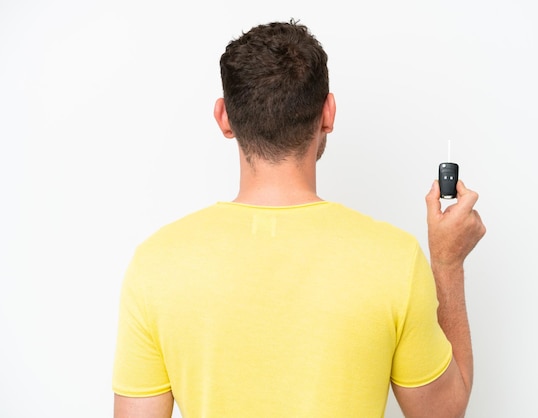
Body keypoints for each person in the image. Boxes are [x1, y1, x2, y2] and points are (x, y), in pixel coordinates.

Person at [112, 20, 486, 418]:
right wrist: (447, 263)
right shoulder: (394, 259)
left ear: (224, 117)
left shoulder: (156, 264)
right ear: (328, 113)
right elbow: (443, 412)